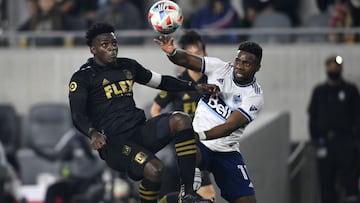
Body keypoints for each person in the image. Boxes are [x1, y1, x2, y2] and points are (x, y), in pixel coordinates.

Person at [68, 22, 218, 203]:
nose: (112, 48)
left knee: (181, 119)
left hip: (139, 130)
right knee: (155, 169)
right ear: (93, 49)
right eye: (105, 45)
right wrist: (92, 133)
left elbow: (162, 82)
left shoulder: (128, 66)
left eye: (114, 43)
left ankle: (188, 193)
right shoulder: (83, 77)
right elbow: (77, 116)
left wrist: (193, 86)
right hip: (114, 143)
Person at [155, 36, 264, 203]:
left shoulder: (254, 96)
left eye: (247, 63)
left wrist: (200, 135)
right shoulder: (220, 68)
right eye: (238, 61)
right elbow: (187, 60)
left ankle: (177, 197)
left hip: (227, 152)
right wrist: (172, 52)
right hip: (199, 146)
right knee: (190, 152)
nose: (240, 67)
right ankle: (188, 191)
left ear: (257, 67)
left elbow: (229, 126)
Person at [150, 30, 216, 202]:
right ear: (184, 57)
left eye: (198, 53)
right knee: (206, 194)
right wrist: (167, 134)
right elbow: (155, 109)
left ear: (205, 55)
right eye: (190, 54)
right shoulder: (178, 83)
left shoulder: (213, 81)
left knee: (192, 195)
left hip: (205, 143)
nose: (195, 57)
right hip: (184, 146)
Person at [308, 55, 360, 203]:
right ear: (326, 68)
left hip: (346, 142)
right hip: (325, 143)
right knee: (326, 183)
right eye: (330, 66)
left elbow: (357, 116)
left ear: (340, 68)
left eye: (336, 66)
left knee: (350, 181)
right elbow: (313, 116)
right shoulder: (319, 91)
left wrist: (355, 140)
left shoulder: (350, 90)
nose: (333, 69)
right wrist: (316, 139)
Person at [30, 128, 105, 203]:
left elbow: (105, 161)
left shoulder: (104, 134)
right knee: (52, 190)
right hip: (76, 180)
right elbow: (56, 156)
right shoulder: (74, 137)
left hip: (95, 181)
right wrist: (37, 150)